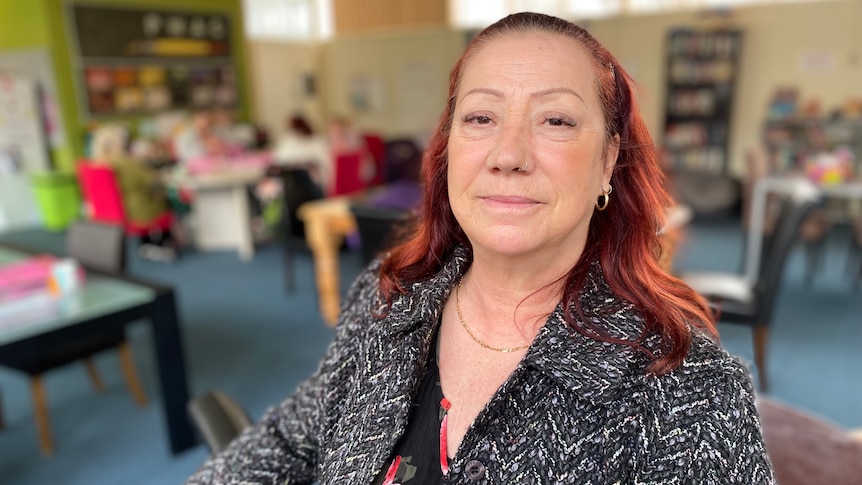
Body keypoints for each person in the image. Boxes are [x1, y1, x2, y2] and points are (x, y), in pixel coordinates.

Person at [186, 12, 775, 484]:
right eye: (481, 117)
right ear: (448, 152)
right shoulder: (391, 295)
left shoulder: (688, 387)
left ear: (609, 161)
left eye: (557, 122)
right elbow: (295, 439)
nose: (508, 153)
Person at [88, 124, 177, 262]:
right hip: (138, 210)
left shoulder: (95, 164)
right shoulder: (124, 162)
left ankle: (147, 243)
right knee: (165, 199)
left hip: (113, 212)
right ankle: (162, 242)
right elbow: (152, 180)